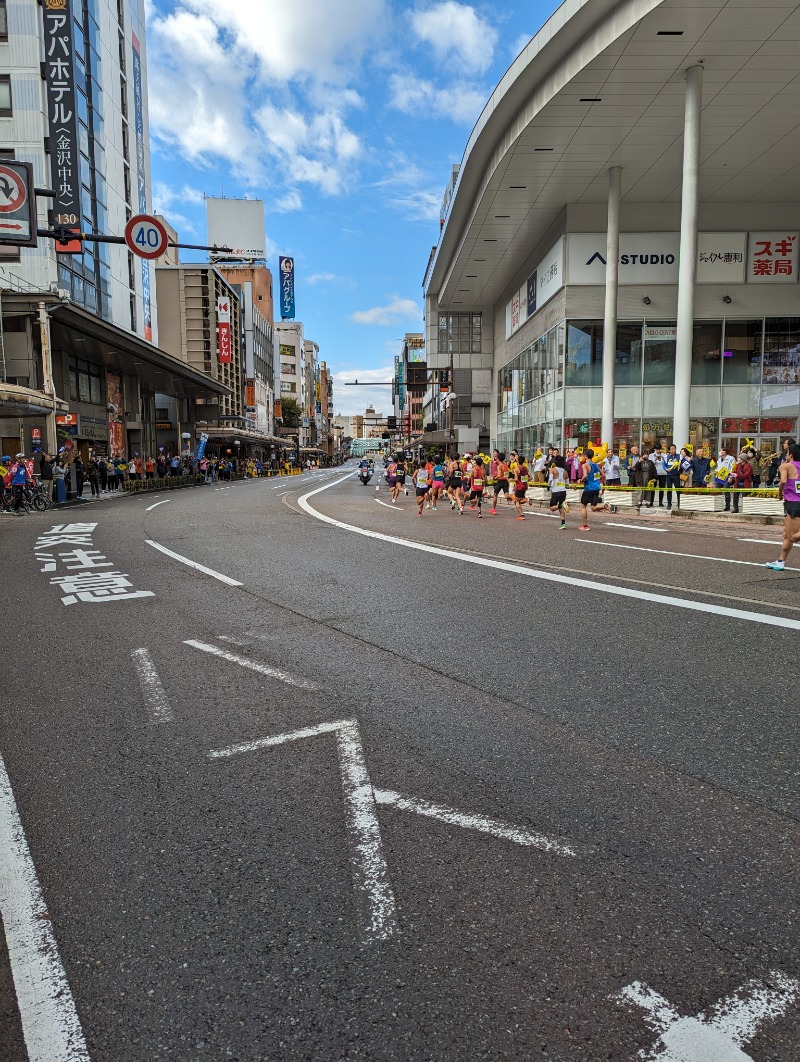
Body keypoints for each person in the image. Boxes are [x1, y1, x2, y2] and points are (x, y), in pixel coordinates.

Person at [766, 443, 800, 571]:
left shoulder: (785, 466)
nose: (786, 455)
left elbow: (784, 481)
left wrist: (779, 493)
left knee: (792, 536)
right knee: (786, 534)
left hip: (793, 503)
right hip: (795, 502)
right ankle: (781, 561)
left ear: (790, 454)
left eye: (787, 453)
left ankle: (781, 561)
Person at [579, 448, 611, 530]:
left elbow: (585, 476)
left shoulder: (585, 465)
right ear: (593, 456)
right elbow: (603, 474)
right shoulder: (597, 465)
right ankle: (604, 506)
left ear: (585, 456)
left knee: (583, 506)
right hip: (597, 487)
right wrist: (596, 479)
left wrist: (580, 480)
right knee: (593, 507)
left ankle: (585, 525)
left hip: (588, 488)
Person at [548, 456, 570, 529]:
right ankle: (563, 524)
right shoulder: (565, 471)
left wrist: (548, 486)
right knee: (562, 509)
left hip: (555, 491)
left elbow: (550, 479)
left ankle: (561, 505)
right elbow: (567, 483)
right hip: (563, 491)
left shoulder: (552, 470)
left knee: (552, 508)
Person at [714, 447, 737, 511]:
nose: (720, 452)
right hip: (719, 477)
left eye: (721, 451)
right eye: (720, 450)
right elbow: (718, 467)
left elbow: (733, 468)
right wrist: (715, 471)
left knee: (726, 492)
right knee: (717, 492)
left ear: (725, 452)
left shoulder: (731, 458)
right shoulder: (719, 459)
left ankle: (727, 506)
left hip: (727, 477)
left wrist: (731, 477)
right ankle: (718, 506)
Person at [512, 455, 530, 520]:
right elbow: (530, 477)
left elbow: (516, 479)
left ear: (518, 461)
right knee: (518, 501)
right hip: (525, 486)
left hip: (519, 486)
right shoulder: (525, 468)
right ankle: (521, 514)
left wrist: (511, 479)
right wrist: (525, 480)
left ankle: (522, 515)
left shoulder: (516, 469)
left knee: (516, 501)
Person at [663, 444, 681, 509]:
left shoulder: (679, 456)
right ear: (669, 450)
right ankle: (669, 504)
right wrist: (666, 469)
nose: (673, 450)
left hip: (676, 475)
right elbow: (664, 465)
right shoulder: (667, 457)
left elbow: (682, 463)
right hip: (669, 475)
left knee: (678, 490)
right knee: (669, 490)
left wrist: (679, 465)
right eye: (672, 449)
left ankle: (679, 503)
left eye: (674, 449)